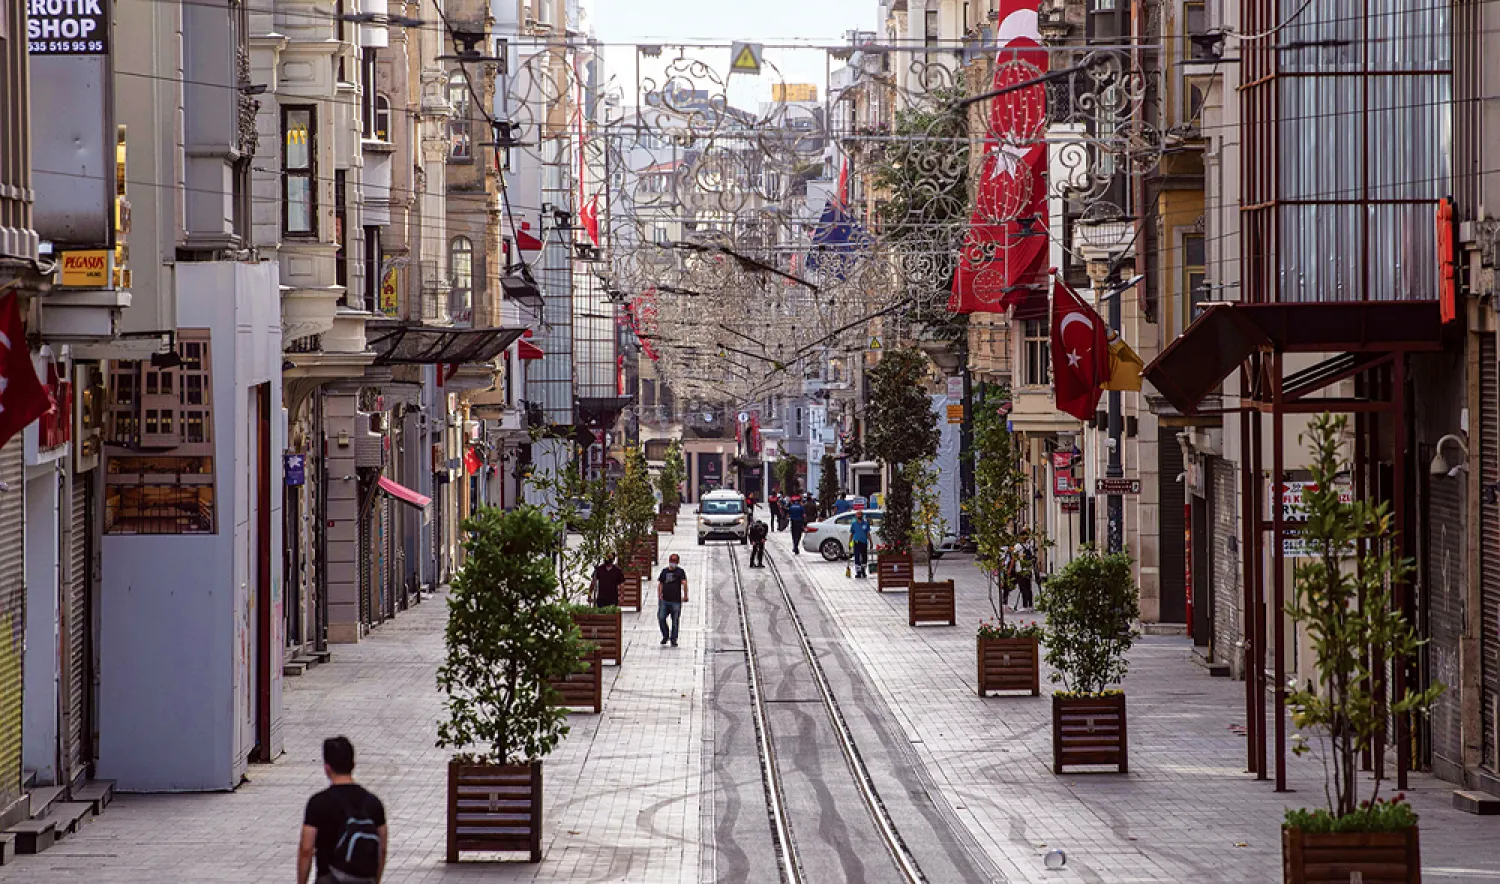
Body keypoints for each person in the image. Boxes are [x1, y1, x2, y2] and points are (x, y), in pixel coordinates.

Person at [298, 736, 386, 884]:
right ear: (353, 765)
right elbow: (382, 850)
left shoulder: (318, 803)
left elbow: (306, 849)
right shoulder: (374, 803)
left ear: (327, 768)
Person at [657, 553, 689, 647]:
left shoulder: (680, 572)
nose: (673, 563)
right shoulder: (664, 571)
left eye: (675, 561)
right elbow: (661, 583)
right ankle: (665, 635)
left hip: (676, 601)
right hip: (665, 600)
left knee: (675, 621)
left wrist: (685, 595)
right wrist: (659, 595)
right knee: (661, 617)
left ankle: (673, 639)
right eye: (671, 561)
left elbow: (684, 583)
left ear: (678, 562)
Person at [849, 510, 871, 578]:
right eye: (858, 514)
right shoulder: (854, 524)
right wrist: (850, 543)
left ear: (862, 515)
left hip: (864, 542)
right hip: (856, 542)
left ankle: (863, 570)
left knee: (864, 557)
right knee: (857, 557)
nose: (859, 515)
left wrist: (871, 541)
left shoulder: (866, 524)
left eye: (860, 514)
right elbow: (852, 534)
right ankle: (858, 572)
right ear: (856, 516)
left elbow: (868, 533)